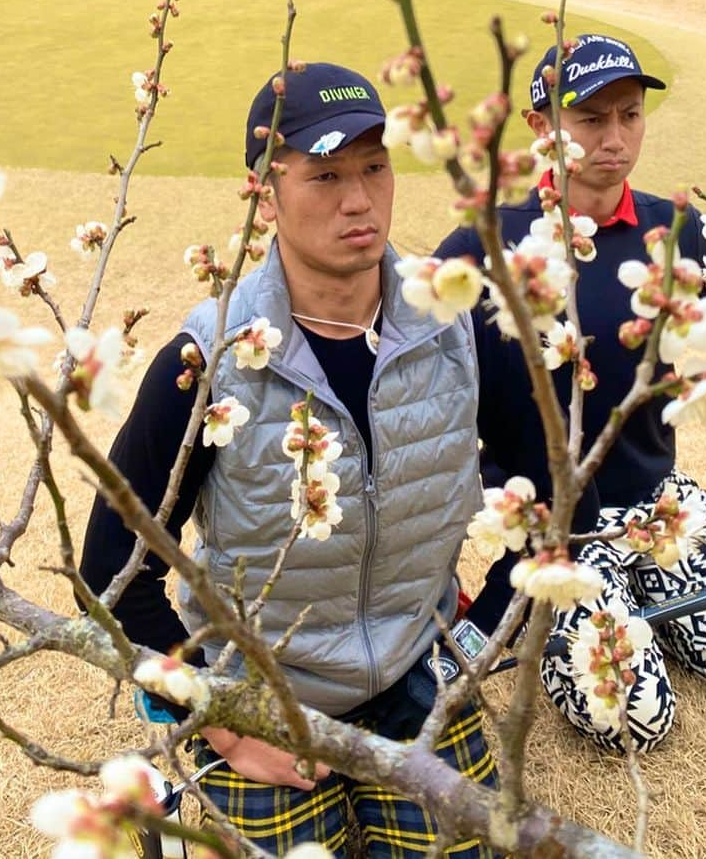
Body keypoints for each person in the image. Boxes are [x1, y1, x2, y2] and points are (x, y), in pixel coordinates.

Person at [81, 62, 499, 858]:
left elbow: (545, 481)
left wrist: (470, 642)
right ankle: (191, 776)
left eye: (376, 168)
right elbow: (110, 564)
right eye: (325, 174)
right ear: (263, 194)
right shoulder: (207, 361)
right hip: (260, 693)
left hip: (420, 668)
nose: (359, 200)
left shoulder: (458, 321)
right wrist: (226, 725)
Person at [435, 32, 706, 753]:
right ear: (542, 127)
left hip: (659, 507)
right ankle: (614, 605)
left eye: (630, 115)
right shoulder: (481, 248)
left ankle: (650, 594)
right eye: (591, 119)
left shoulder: (678, 232)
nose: (615, 139)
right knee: (634, 720)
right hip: (556, 531)